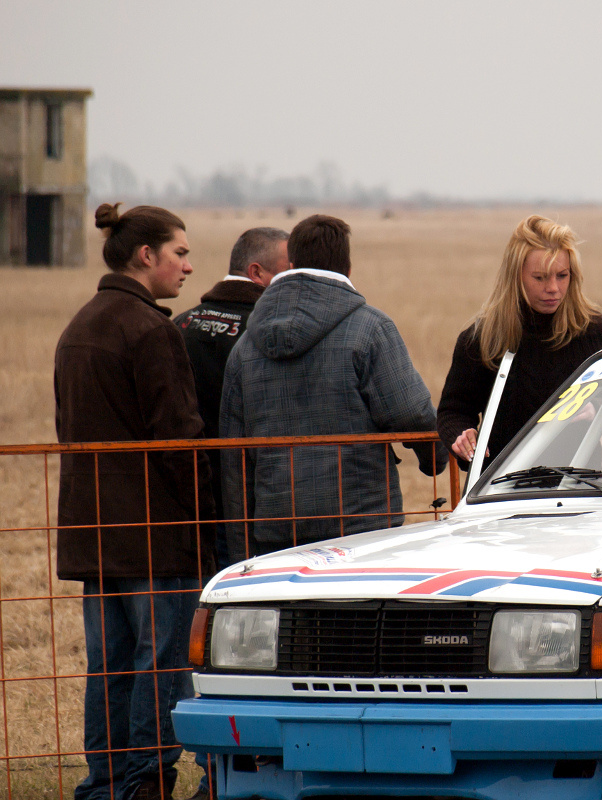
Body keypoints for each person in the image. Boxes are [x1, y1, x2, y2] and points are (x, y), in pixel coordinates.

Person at [56, 203, 214, 800]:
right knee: (162, 663)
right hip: (154, 533)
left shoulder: (79, 326)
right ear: (145, 255)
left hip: (94, 534)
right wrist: (204, 517)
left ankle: (106, 784)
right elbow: (179, 439)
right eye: (179, 252)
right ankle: (148, 781)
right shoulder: (149, 329)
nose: (188, 266)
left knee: (109, 667)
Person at [220, 214, 446, 561]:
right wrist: (434, 458)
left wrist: (242, 551)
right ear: (348, 269)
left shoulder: (245, 346)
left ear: (291, 264)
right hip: (361, 526)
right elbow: (410, 412)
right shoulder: (371, 328)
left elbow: (235, 456)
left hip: (278, 527)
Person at [437, 215, 602, 468]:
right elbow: (454, 411)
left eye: (562, 275)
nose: (553, 288)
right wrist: (461, 437)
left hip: (581, 486)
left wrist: (595, 409)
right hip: (500, 488)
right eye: (540, 278)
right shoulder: (481, 338)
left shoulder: (597, 332)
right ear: (515, 277)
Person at [175, 226, 289, 569]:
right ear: (257, 272)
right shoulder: (271, 334)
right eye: (290, 270)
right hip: (253, 506)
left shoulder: (179, 326)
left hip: (186, 505)